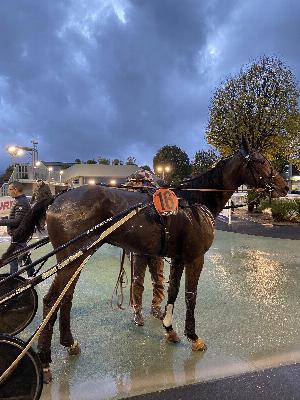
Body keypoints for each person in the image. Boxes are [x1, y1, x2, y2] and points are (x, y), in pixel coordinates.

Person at [124, 169, 165, 326]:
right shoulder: (129, 199)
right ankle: (137, 311)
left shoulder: (155, 198)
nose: (144, 186)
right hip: (137, 248)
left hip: (156, 246)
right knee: (137, 280)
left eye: (146, 183)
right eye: (141, 183)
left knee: (158, 279)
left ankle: (156, 306)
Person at [0, 181, 35, 277]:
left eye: (10, 189)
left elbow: (17, 221)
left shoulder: (22, 202)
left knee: (12, 258)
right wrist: (5, 218)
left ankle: (12, 280)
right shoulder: (19, 200)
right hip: (19, 234)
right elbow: (16, 217)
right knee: (23, 255)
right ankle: (32, 274)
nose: (8, 192)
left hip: (19, 234)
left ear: (15, 190)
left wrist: (1, 222)